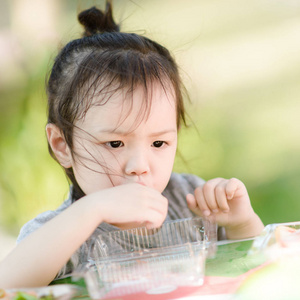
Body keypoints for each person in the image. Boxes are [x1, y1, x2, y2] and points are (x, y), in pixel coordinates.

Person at [0, 1, 264, 288]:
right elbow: (7, 284)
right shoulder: (62, 233)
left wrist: (241, 224)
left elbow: (256, 272)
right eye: (115, 143)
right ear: (62, 145)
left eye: (159, 143)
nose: (139, 166)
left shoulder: (190, 202)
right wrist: (92, 210)